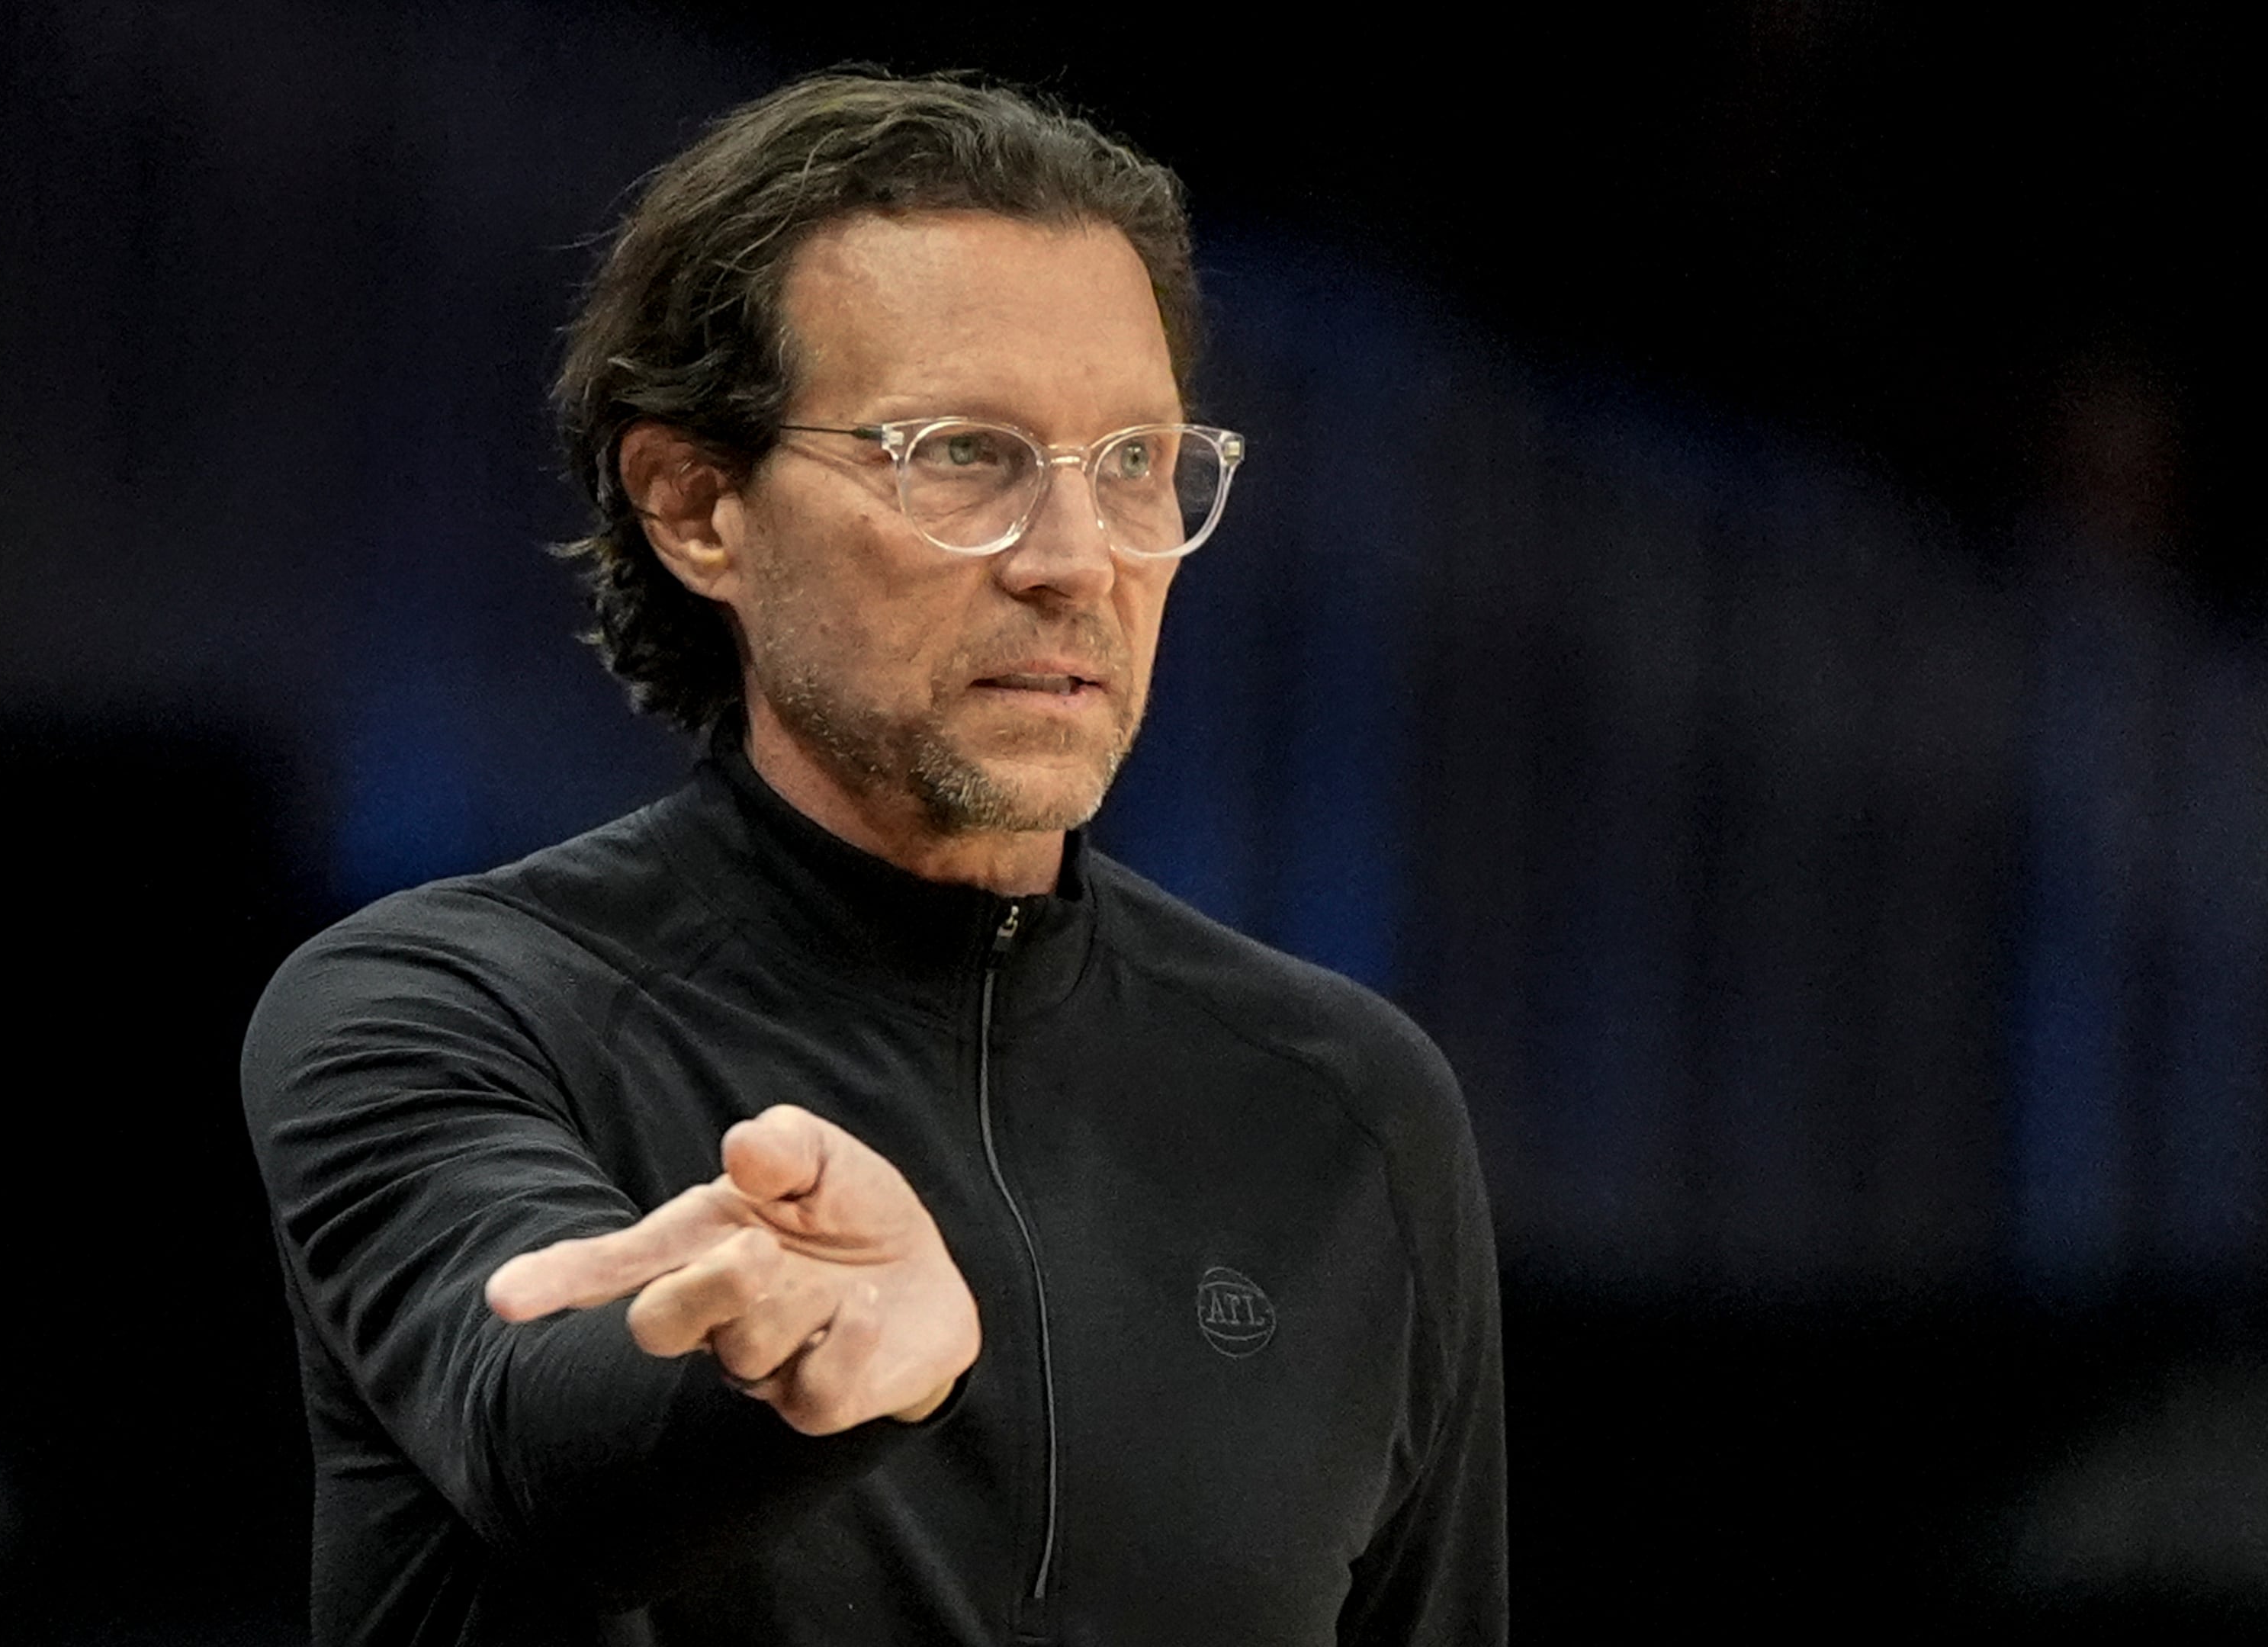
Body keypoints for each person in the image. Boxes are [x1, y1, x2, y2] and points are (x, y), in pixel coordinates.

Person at [241, 70, 1505, 1645]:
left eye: (1134, 462)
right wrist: (785, 1375)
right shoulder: (440, 1006)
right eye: (962, 454)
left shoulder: (1353, 1107)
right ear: (699, 506)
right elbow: (526, 1415)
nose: (1075, 563)